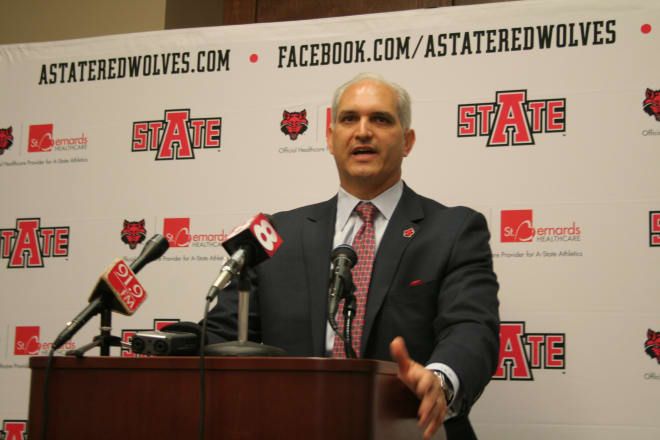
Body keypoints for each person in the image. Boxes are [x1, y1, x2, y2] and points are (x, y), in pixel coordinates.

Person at [205, 72, 500, 439]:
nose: (363, 131)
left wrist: (439, 381)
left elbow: (472, 328)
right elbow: (222, 336)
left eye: (380, 119)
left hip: (409, 428)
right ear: (330, 138)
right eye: (349, 119)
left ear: (407, 142)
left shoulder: (453, 229)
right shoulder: (275, 235)